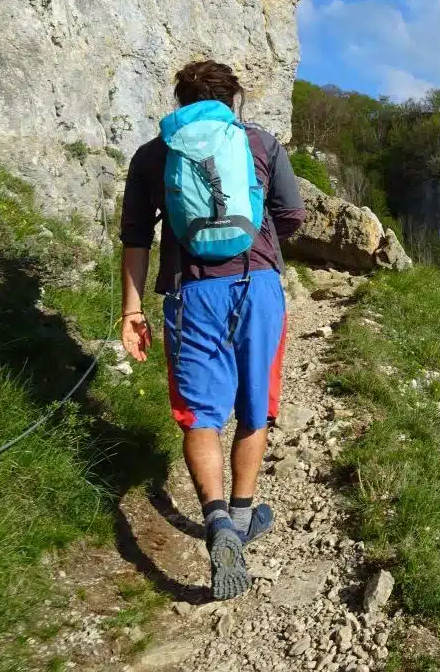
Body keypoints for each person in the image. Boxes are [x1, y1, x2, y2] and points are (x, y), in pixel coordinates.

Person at [118, 60, 306, 600]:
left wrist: (132, 311)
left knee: (199, 416)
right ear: (233, 100)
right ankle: (243, 519)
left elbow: (135, 237)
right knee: (255, 408)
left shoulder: (155, 154)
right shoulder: (261, 144)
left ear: (180, 101)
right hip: (259, 287)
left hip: (188, 293)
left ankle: (218, 523)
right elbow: (291, 215)